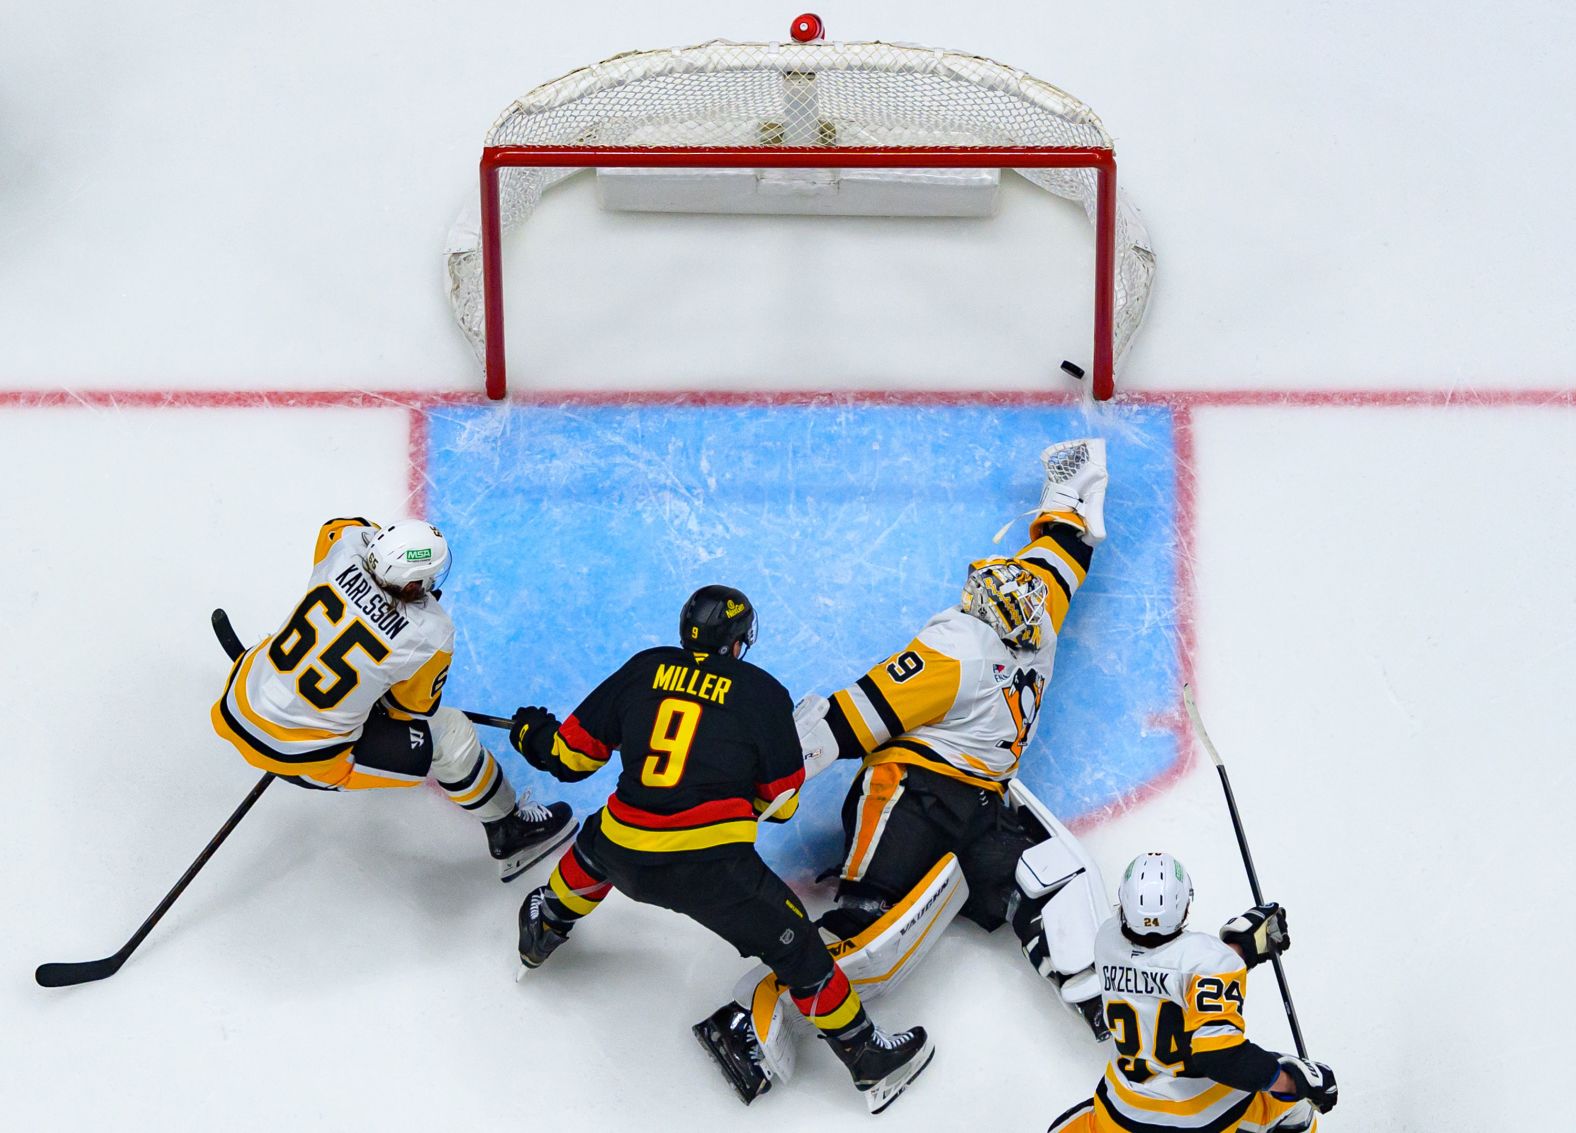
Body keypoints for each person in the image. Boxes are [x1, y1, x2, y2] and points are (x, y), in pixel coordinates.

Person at [507, 585, 933, 1114]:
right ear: (737, 641)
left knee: (599, 839)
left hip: (623, 850)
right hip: (709, 872)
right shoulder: (763, 693)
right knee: (798, 947)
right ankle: (867, 1056)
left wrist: (533, 733)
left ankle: (543, 926)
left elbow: (570, 759)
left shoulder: (645, 669)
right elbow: (781, 804)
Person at [778, 437, 1116, 1039]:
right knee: (865, 916)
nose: (1027, 623)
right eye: (1014, 614)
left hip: (983, 802)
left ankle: (1104, 1007)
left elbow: (1060, 550)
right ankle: (756, 1011)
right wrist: (767, 778)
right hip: (910, 795)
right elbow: (845, 721)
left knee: (1050, 880)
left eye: (1030, 612)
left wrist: (1069, 485)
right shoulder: (953, 648)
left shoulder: (1039, 610)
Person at [211, 517, 575, 880]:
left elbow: (339, 525)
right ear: (416, 582)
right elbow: (407, 710)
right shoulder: (431, 632)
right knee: (450, 733)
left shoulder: (344, 548)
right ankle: (508, 827)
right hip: (308, 760)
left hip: (237, 704)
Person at [1047, 852, 1338, 1132]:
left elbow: (1160, 971)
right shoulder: (1210, 961)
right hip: (1200, 1119)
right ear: (1185, 904)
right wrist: (1296, 1082)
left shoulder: (1106, 940)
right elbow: (1221, 1058)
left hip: (1123, 1113)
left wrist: (1240, 950)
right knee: (1296, 1107)